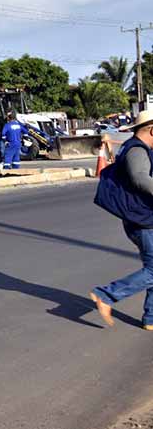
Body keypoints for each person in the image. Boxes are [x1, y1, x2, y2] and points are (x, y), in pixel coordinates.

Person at [91, 110, 153, 331]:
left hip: (142, 217)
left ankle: (151, 318)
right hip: (143, 221)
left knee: (152, 268)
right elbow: (140, 179)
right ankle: (106, 295)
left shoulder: (138, 147)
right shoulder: (137, 150)